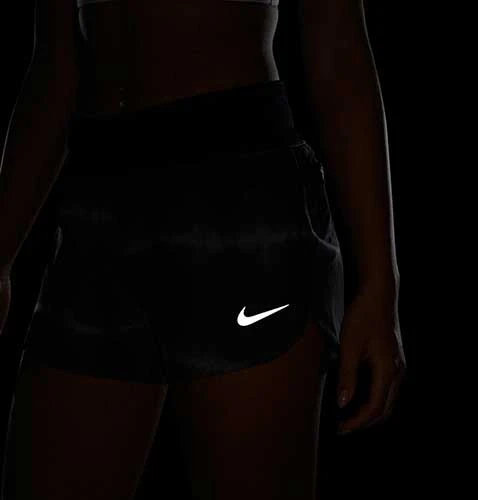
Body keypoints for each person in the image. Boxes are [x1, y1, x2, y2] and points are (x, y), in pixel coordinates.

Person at [0, 0, 406, 498]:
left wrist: (379, 281)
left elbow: (336, 45)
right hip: (97, 206)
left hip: (237, 199)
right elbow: (56, 67)